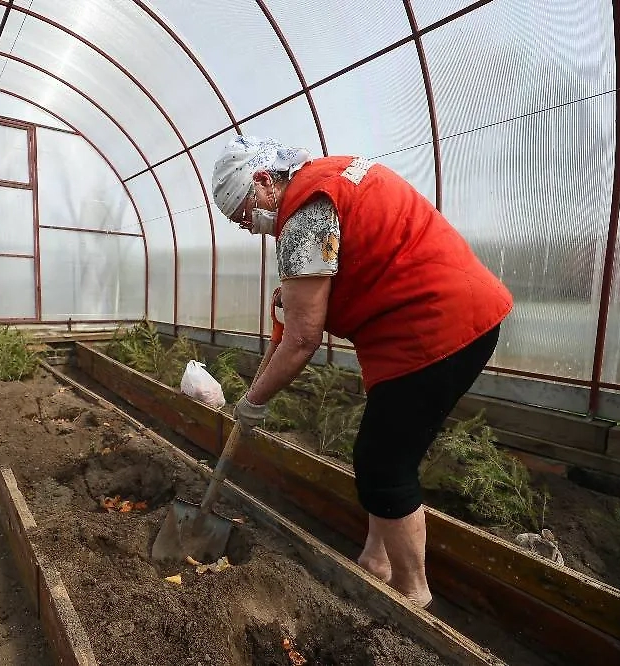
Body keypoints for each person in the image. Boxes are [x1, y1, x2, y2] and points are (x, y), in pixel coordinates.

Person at [210, 135, 513, 610]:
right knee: (386, 447)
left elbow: (304, 338)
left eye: (245, 214)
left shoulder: (305, 214)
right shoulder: (332, 176)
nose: (249, 228)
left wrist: (253, 402)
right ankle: (377, 561)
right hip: (447, 312)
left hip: (435, 327)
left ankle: (415, 598)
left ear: (266, 182)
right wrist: (298, 296)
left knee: (382, 465)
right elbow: (357, 258)